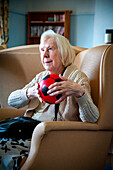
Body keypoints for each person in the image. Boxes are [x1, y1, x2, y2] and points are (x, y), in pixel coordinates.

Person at [0, 30, 99, 169]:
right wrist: (30, 92)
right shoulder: (42, 77)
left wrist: (80, 93)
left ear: (63, 52)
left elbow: (92, 119)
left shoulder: (77, 77)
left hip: (49, 134)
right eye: (42, 50)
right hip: (27, 127)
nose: (45, 55)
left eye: (50, 49)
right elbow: (11, 100)